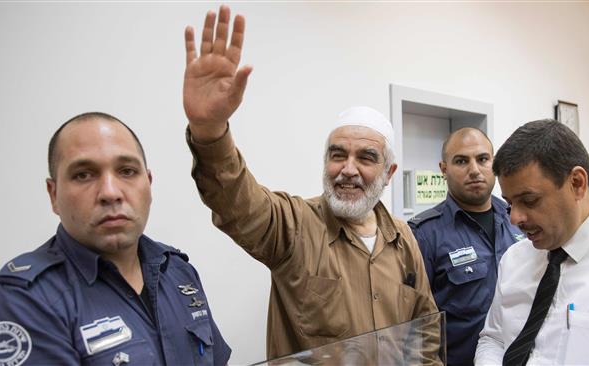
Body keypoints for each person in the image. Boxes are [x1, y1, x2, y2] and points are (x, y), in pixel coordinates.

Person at [183, 5, 438, 360]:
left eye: (365, 157)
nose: (348, 169)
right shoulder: (294, 225)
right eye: (337, 155)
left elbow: (424, 329)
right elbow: (236, 201)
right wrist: (209, 131)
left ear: (388, 173)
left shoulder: (403, 238)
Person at [0, 112, 231, 366]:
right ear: (53, 194)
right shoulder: (19, 305)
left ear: (148, 183)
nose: (110, 193)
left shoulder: (178, 273)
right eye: (83, 175)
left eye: (127, 171)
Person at [475, 119, 589, 365]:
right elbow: (494, 338)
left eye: (529, 200)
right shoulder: (514, 259)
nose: (514, 218)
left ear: (576, 183)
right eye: (510, 203)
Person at [408, 128, 524, 366]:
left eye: (483, 159)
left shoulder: (520, 220)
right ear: (443, 169)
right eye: (461, 161)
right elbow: (414, 324)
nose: (474, 170)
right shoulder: (424, 234)